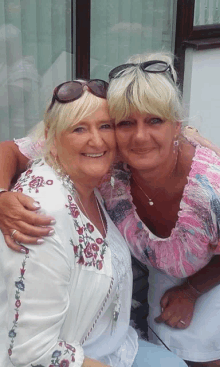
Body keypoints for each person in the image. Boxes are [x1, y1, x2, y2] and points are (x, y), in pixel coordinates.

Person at [0, 53, 219, 366]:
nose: (139, 136)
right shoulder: (102, 163)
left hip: (208, 273)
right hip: (115, 323)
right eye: (125, 123)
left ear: (177, 128)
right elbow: (10, 149)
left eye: (155, 120)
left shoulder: (211, 188)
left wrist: (193, 291)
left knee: (206, 352)